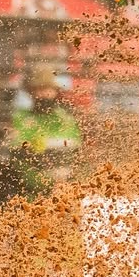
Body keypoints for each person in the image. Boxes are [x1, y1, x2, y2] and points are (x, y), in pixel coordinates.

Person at [6, 63, 82, 199]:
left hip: (66, 194)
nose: (43, 94)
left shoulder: (67, 120)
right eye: (38, 89)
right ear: (31, 92)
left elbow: (78, 157)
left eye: (47, 89)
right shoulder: (21, 119)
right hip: (31, 195)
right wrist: (47, 183)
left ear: (55, 91)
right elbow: (18, 161)